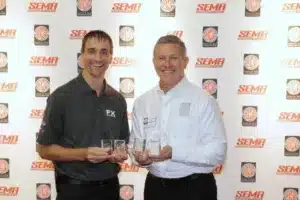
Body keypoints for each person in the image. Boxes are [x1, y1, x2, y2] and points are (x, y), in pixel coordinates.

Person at [128, 35, 227, 200]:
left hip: (195, 189)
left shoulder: (204, 100)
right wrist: (140, 159)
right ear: (154, 62)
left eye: (173, 58)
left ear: (185, 61)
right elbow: (134, 145)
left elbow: (218, 152)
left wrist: (174, 152)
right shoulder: (142, 102)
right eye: (161, 58)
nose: (167, 64)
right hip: (155, 188)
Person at [36, 30, 129, 200]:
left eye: (104, 52)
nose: (98, 58)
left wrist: (120, 153)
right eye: (92, 51)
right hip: (73, 190)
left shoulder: (118, 100)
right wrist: (84, 153)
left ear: (111, 58)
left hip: (110, 188)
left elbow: (123, 144)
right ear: (82, 56)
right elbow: (43, 149)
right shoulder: (61, 97)